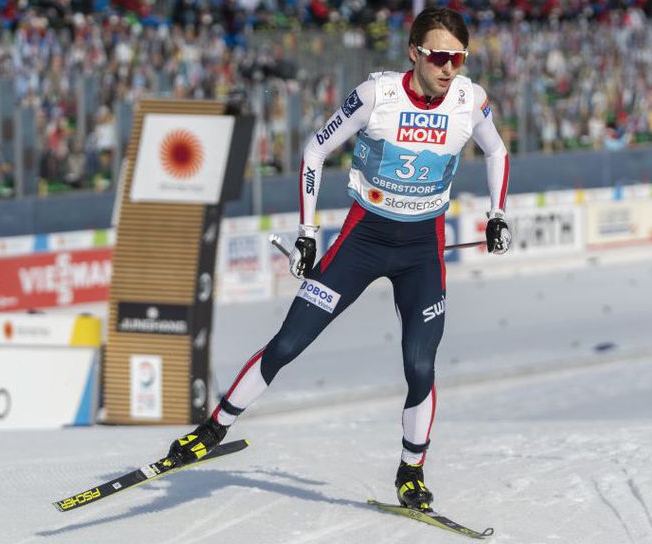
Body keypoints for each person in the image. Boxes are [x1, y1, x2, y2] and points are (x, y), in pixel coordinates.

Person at [165, 6, 512, 511]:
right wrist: (307, 233)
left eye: (459, 57)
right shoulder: (377, 96)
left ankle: (410, 471)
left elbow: (498, 152)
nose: (449, 67)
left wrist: (497, 214)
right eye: (439, 56)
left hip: (421, 250)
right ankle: (212, 431)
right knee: (287, 344)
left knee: (420, 366)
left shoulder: (469, 100)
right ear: (414, 53)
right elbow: (313, 151)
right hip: (363, 239)